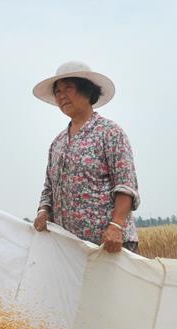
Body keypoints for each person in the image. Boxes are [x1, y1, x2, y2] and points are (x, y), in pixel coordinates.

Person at [32, 61, 141, 254]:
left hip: (109, 245)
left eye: (68, 88)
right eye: (57, 91)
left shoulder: (109, 133)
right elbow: (48, 188)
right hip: (70, 249)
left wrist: (116, 226)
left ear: (87, 91)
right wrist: (43, 210)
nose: (61, 95)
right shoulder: (57, 143)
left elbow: (125, 185)